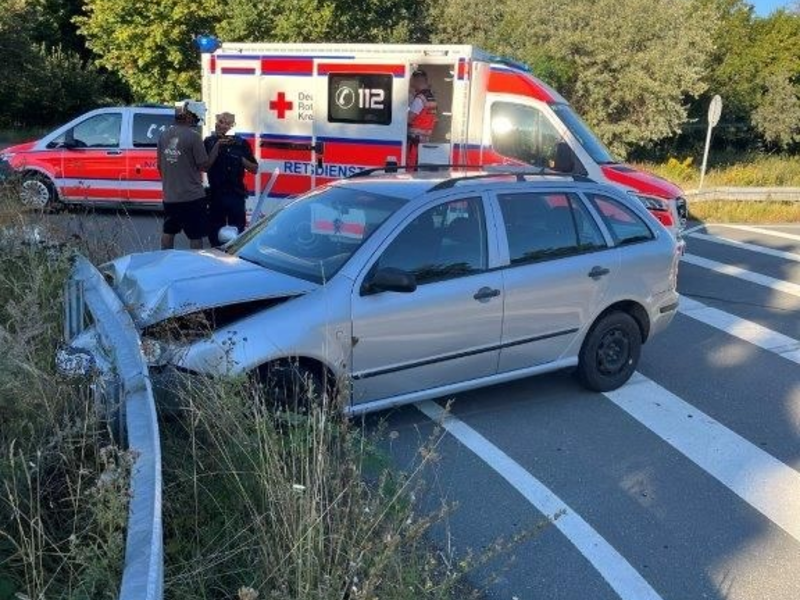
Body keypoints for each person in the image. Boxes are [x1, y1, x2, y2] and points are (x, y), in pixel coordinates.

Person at [157, 99, 219, 250]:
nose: (197, 120)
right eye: (196, 116)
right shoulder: (193, 137)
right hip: (192, 197)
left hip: (170, 196)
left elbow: (159, 166)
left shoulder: (164, 135)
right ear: (189, 116)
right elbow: (204, 166)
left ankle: (164, 261)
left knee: (169, 230)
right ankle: (194, 264)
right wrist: (216, 149)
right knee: (195, 235)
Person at [203, 112, 259, 247]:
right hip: (216, 193)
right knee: (214, 233)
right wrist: (217, 146)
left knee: (238, 233)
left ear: (231, 126)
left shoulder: (241, 143)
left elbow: (254, 169)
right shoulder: (209, 142)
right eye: (220, 121)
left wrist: (239, 158)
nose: (221, 125)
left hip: (236, 193)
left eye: (225, 123)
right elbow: (205, 167)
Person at [407, 69, 438, 166]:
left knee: (411, 167)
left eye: (412, 80)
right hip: (425, 139)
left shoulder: (420, 98)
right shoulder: (431, 97)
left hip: (415, 140)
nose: (411, 83)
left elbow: (409, 118)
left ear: (417, 80)